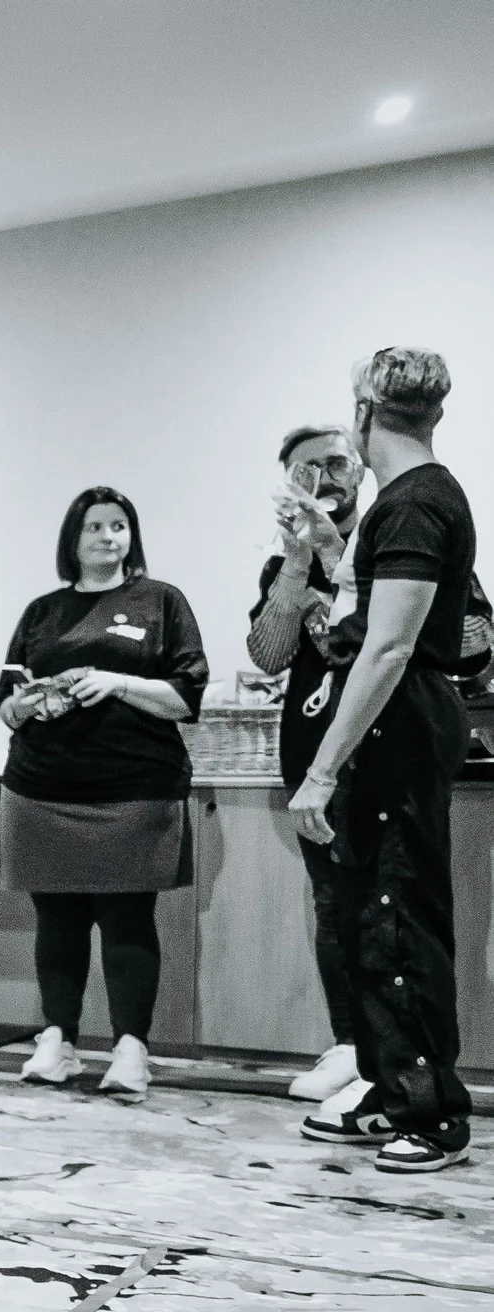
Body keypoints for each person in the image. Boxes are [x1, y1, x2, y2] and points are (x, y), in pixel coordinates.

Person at [292, 349, 475, 1173]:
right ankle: (386, 1083)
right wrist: (333, 551)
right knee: (371, 916)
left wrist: (322, 769)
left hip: (397, 724)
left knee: (398, 917)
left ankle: (432, 1111)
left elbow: (389, 646)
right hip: (392, 721)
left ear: (365, 413)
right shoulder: (407, 504)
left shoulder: (415, 503)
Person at [0, 487, 206, 1096]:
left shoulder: (161, 601)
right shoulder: (41, 611)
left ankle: (130, 1050)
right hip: (40, 788)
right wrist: (27, 702)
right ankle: (57, 1040)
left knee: (127, 919)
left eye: (119, 526)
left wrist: (116, 681)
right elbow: (6, 705)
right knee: (55, 919)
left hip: (134, 789)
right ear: (73, 539)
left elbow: (185, 698)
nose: (108, 537)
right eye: (94, 527)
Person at [247, 425, 370, 1107]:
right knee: (333, 903)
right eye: (304, 469)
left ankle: (391, 1052)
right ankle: (349, 1044)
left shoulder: (387, 541)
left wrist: (332, 543)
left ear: (358, 467)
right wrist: (296, 560)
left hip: (381, 753)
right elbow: (269, 655)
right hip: (308, 754)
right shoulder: (285, 564)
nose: (322, 476)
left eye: (333, 462)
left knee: (388, 904)